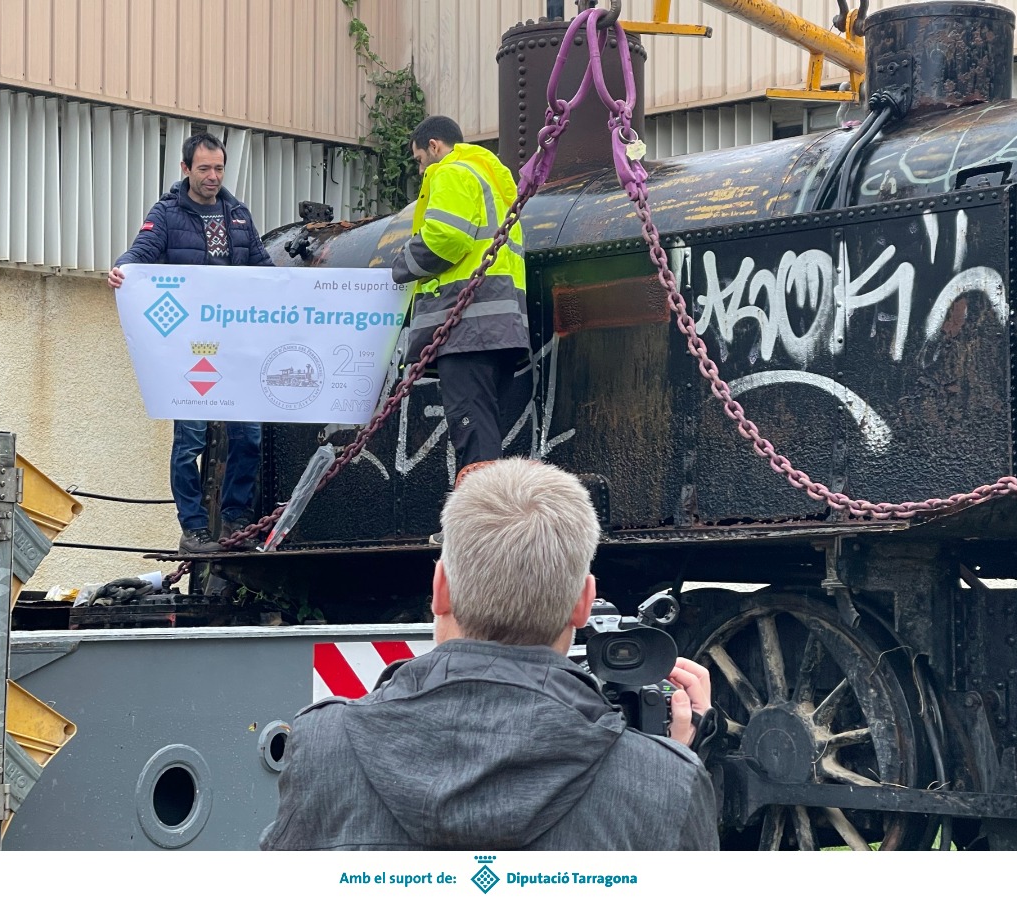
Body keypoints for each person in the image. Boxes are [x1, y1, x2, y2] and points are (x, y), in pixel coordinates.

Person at [260, 459, 719, 851]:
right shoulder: (667, 783)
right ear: (584, 603)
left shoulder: (323, 746)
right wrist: (669, 767)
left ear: (440, 589)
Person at [108, 132, 274, 554]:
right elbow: (141, 252)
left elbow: (264, 268)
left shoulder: (238, 214)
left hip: (235, 346)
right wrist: (122, 270)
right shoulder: (165, 214)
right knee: (190, 442)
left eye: (219, 168)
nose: (213, 176)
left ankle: (235, 521)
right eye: (204, 169)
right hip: (189, 347)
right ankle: (194, 530)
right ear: (185, 169)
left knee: (249, 437)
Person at [391, 116, 530, 483]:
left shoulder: (451, 173)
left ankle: (483, 525)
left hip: (468, 327)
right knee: (483, 427)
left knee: (471, 429)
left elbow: (445, 238)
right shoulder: (492, 184)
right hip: (498, 327)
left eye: (419, 160)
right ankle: (489, 518)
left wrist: (402, 264)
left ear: (434, 146)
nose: (421, 171)